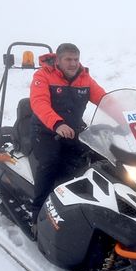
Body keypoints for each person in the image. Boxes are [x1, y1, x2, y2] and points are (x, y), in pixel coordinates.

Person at [29, 43, 106, 217]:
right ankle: (37, 211)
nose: (73, 64)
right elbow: (39, 103)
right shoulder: (43, 75)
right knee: (50, 163)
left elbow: (104, 99)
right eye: (68, 59)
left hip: (73, 130)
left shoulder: (84, 78)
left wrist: (125, 115)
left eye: (76, 59)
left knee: (99, 157)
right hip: (45, 130)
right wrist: (57, 124)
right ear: (58, 60)